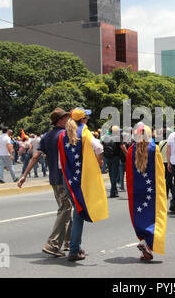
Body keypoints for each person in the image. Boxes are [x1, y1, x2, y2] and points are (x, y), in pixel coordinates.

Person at [18, 108, 73, 257]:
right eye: (66, 118)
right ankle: (53, 244)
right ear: (60, 120)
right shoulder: (64, 134)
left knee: (67, 209)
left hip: (55, 178)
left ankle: (69, 242)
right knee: (65, 209)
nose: (68, 120)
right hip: (64, 178)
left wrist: (24, 175)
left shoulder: (47, 136)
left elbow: (35, 156)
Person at [59, 107, 108, 262]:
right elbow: (99, 147)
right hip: (82, 179)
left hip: (68, 179)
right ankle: (73, 249)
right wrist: (99, 161)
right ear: (83, 120)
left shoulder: (62, 135)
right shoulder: (85, 134)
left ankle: (75, 247)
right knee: (79, 213)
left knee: (77, 211)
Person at [125, 123, 167, 261]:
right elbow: (160, 171)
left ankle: (144, 241)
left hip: (137, 190)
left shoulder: (131, 150)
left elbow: (128, 172)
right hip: (151, 191)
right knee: (155, 217)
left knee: (140, 216)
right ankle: (147, 242)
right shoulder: (153, 149)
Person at [102, 126, 122, 198]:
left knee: (111, 174)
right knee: (114, 175)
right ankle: (112, 191)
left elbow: (102, 145)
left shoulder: (105, 137)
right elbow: (122, 146)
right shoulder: (117, 137)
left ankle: (115, 190)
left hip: (107, 157)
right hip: (115, 157)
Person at [159, 128, 173, 198]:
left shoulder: (161, 142)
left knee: (165, 178)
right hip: (169, 162)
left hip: (162, 162)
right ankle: (169, 192)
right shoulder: (170, 142)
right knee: (169, 179)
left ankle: (170, 191)